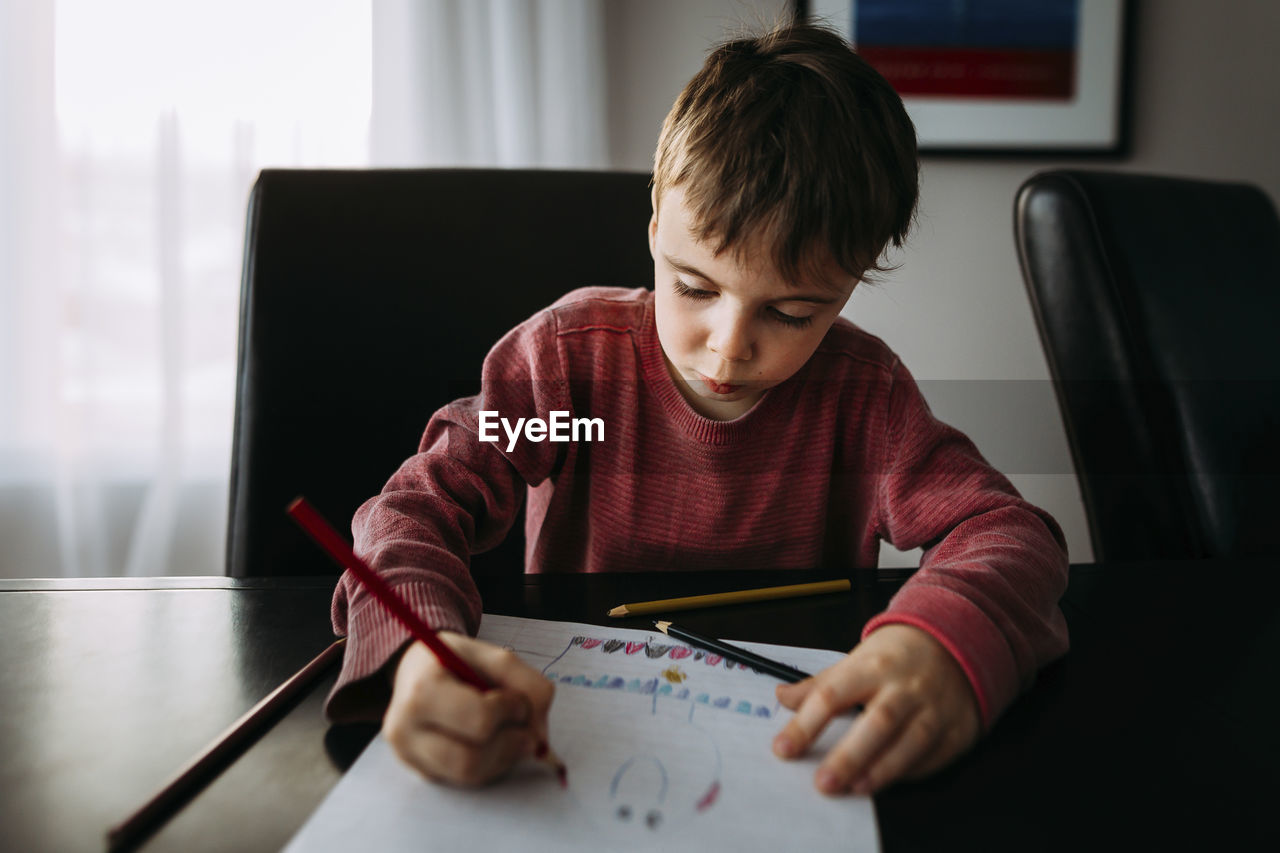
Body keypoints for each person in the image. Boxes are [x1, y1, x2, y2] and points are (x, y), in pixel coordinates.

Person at [324, 21, 1068, 798]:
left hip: (784, 748)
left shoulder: (862, 403)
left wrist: (943, 643)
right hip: (570, 731)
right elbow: (416, 507)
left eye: (790, 314)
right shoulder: (571, 375)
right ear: (653, 227)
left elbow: (1007, 532)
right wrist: (419, 647)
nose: (727, 348)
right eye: (694, 287)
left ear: (848, 289)